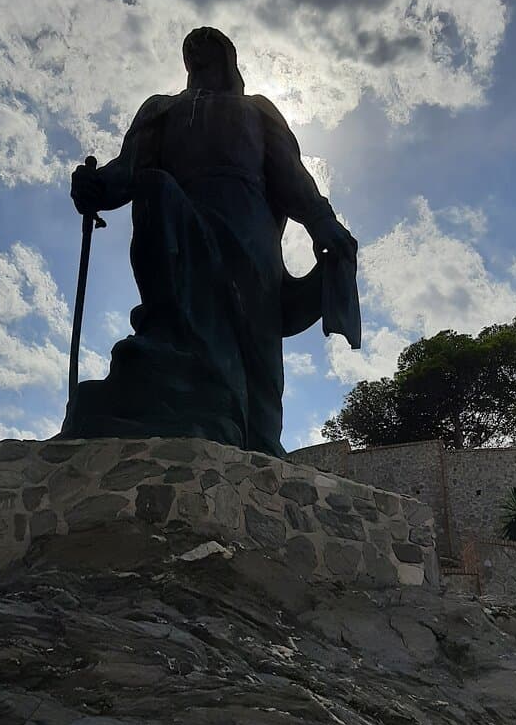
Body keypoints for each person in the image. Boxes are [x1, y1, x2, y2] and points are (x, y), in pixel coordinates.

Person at [64, 26, 360, 457]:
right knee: (154, 189)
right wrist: (93, 187)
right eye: (192, 51)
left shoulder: (257, 111)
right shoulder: (161, 110)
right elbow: (126, 172)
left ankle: (257, 446)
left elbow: (292, 178)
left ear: (227, 58)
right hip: (182, 224)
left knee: (256, 355)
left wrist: (322, 221)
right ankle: (172, 385)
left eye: (209, 48)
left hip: (249, 235)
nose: (199, 56)